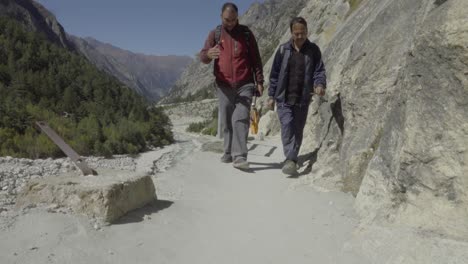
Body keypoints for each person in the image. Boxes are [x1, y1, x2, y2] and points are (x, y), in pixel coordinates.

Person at [200, 2, 264, 170]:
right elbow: (202, 56)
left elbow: (256, 60)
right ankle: (228, 151)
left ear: (238, 18)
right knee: (227, 121)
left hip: (245, 84)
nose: (230, 23)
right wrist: (208, 54)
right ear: (221, 17)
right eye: (227, 20)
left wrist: (259, 82)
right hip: (224, 85)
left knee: (240, 119)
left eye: (234, 20)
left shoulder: (246, 34)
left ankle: (239, 156)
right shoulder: (215, 33)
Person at [267, 17, 327, 176]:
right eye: (296, 33)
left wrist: (320, 84)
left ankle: (291, 158)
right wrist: (271, 96)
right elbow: (274, 75)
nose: (300, 36)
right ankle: (291, 159)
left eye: (303, 33)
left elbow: (319, 71)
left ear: (307, 32)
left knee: (298, 130)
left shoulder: (313, 50)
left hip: (303, 98)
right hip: (284, 98)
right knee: (287, 126)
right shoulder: (283, 50)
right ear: (291, 33)